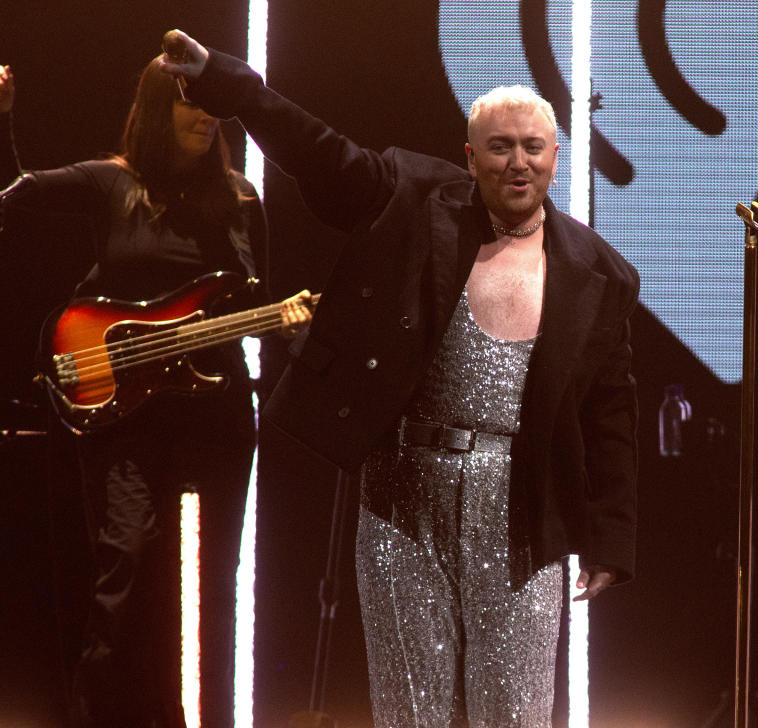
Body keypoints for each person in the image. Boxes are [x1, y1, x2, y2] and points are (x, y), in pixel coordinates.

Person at [162, 28, 640, 728]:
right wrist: (228, 86)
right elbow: (321, 153)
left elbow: (611, 414)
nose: (518, 163)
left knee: (516, 713)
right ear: (470, 158)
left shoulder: (600, 272)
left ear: (555, 157)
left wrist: (609, 540)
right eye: (500, 148)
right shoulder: (417, 200)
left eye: (532, 147)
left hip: (524, 512)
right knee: (413, 713)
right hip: (401, 499)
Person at [0, 60, 311, 728]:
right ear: (154, 108)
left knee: (210, 583)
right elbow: (14, 198)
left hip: (216, 411)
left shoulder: (240, 198)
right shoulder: (111, 182)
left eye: (212, 109)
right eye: (189, 105)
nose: (205, 117)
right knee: (129, 567)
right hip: (123, 415)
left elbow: (254, 297)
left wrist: (290, 322)